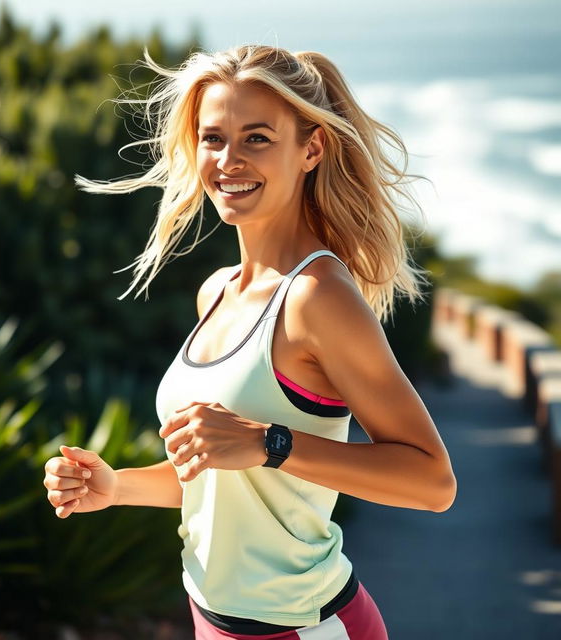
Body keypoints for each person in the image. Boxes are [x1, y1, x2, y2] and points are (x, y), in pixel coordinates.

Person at [43, 44, 457, 639]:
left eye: (257, 138)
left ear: (311, 148)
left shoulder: (317, 297)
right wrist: (116, 487)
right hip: (212, 619)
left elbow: (432, 481)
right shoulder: (215, 292)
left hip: (303, 628)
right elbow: (221, 475)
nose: (229, 160)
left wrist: (270, 442)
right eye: (214, 139)